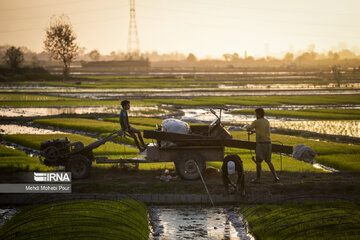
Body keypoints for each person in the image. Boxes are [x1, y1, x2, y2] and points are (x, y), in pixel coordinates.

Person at [246, 108, 280, 183]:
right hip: (268, 143)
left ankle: (258, 179)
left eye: (256, 114)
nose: (255, 115)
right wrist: (255, 131)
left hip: (261, 144)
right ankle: (276, 177)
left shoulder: (256, 122)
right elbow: (262, 131)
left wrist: (248, 128)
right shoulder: (266, 121)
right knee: (269, 161)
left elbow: (248, 129)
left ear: (258, 114)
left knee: (258, 162)